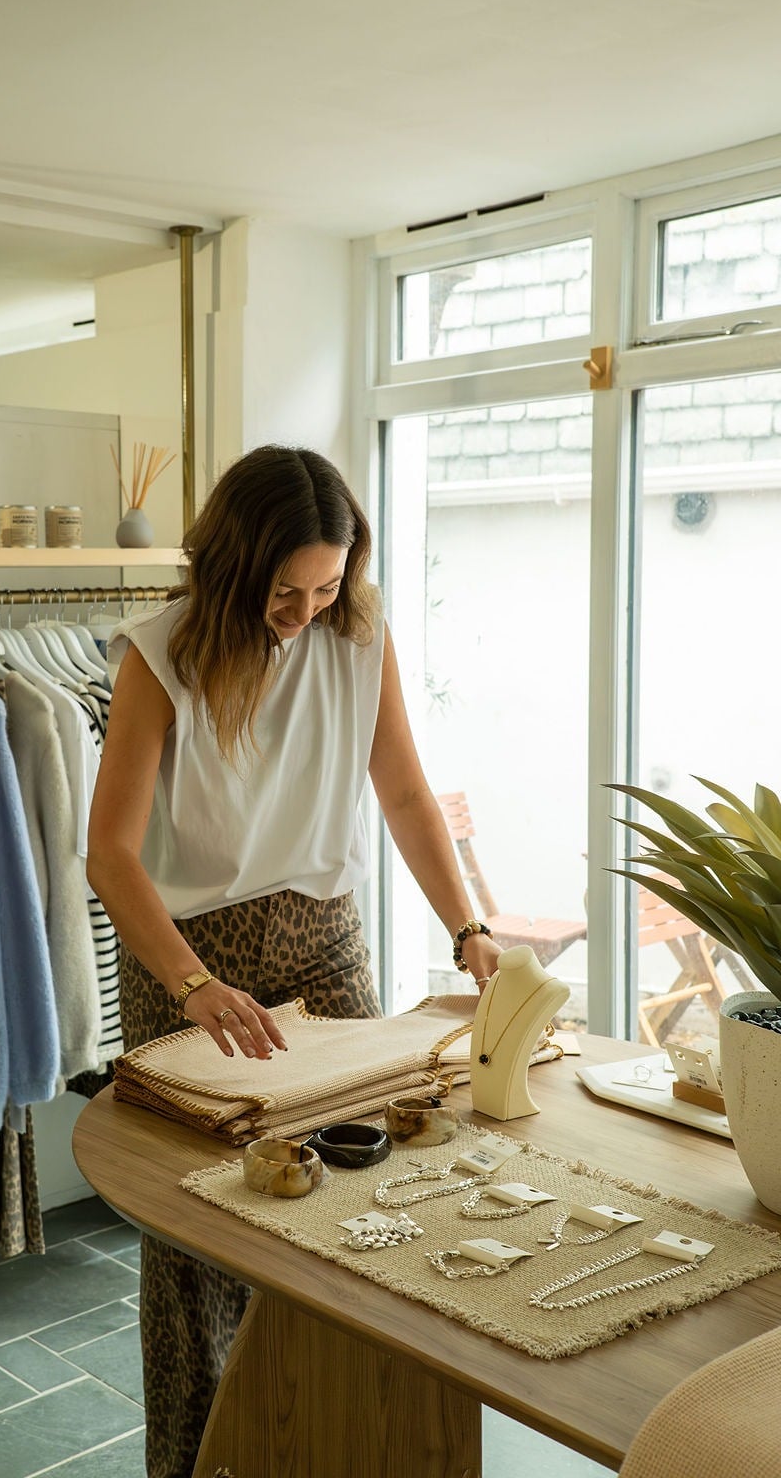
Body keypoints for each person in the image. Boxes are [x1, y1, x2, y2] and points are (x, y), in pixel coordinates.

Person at [86, 444, 501, 1478]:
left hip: (325, 942)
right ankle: (193, 1462)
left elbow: (404, 794)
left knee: (362, 1200)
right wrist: (191, 981)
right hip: (195, 960)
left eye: (325, 587)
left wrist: (467, 930)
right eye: (285, 591)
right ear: (234, 565)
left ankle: (347, 1445)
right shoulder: (159, 655)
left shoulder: (358, 635)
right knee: (199, 1239)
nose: (306, 611)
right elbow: (110, 855)